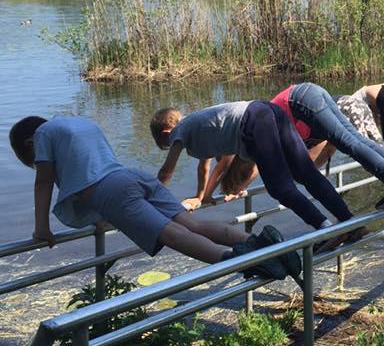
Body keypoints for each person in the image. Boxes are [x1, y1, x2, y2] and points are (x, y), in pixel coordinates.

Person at [8, 115, 299, 281]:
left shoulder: (43, 134)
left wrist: (41, 227)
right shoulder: (77, 124)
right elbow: (89, 169)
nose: (38, 159)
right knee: (193, 226)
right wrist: (102, 217)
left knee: (172, 235)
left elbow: (45, 181)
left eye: (32, 157)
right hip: (134, 176)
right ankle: (257, 243)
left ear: (29, 143)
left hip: (112, 190)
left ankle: (243, 262)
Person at [150, 101, 360, 252]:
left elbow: (167, 170)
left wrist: (153, 199)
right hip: (267, 110)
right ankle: (351, 224)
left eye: (165, 145)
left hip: (253, 121)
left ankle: (325, 229)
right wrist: (201, 196)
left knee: (280, 188)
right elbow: (205, 167)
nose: (170, 146)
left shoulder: (179, 130)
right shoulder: (197, 127)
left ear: (167, 133)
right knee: (306, 172)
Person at [271, 82, 384, 208]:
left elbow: (308, 161)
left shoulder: (270, 138)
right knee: (359, 140)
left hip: (298, 99)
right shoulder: (282, 133)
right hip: (312, 92)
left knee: (349, 143)